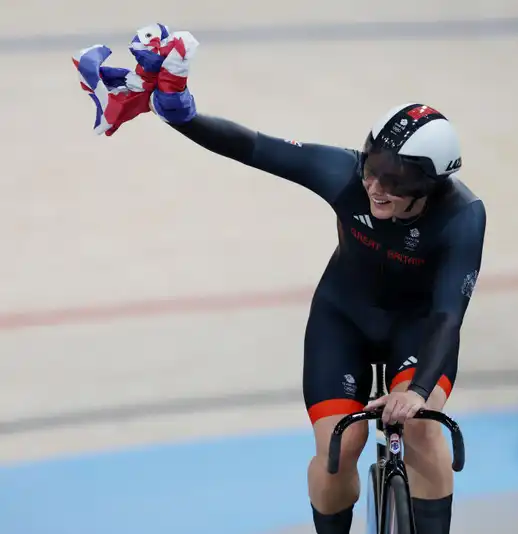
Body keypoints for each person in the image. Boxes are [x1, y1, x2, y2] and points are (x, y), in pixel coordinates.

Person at [130, 31, 485, 534]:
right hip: (345, 320)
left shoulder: (462, 217)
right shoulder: (343, 173)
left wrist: (419, 390)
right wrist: (182, 116)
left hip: (418, 328)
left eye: (395, 181)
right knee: (339, 452)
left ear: (431, 185)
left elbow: (449, 315)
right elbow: (253, 147)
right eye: (373, 167)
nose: (375, 188)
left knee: (423, 429)